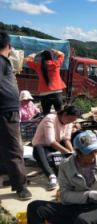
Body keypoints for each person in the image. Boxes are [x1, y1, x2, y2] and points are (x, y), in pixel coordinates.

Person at [0, 32, 32, 200]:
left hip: (5, 109)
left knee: (4, 146)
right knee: (14, 148)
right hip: (5, 110)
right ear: (9, 47)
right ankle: (20, 186)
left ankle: (7, 174)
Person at [32, 106, 82, 190]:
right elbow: (50, 141)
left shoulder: (68, 122)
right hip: (44, 147)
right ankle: (51, 176)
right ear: (64, 114)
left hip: (57, 143)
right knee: (37, 148)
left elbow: (66, 139)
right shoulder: (50, 119)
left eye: (72, 121)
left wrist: (72, 152)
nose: (70, 122)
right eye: (69, 119)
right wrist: (66, 152)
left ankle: (81, 163)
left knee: (79, 134)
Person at [24, 49, 66, 115]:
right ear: (52, 57)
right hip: (57, 92)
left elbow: (26, 60)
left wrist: (36, 54)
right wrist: (54, 51)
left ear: (42, 57)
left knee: (46, 115)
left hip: (44, 94)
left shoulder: (38, 65)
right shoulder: (56, 63)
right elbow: (62, 54)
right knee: (60, 115)